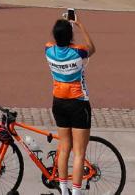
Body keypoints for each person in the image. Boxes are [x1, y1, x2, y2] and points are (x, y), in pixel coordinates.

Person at [46, 13, 96, 195]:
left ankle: (63, 188)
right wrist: (80, 25)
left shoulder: (48, 50)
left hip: (58, 102)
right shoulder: (78, 52)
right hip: (78, 102)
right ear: (71, 37)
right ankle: (76, 192)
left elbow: (53, 42)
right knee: (79, 152)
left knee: (64, 147)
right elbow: (92, 48)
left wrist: (62, 27)